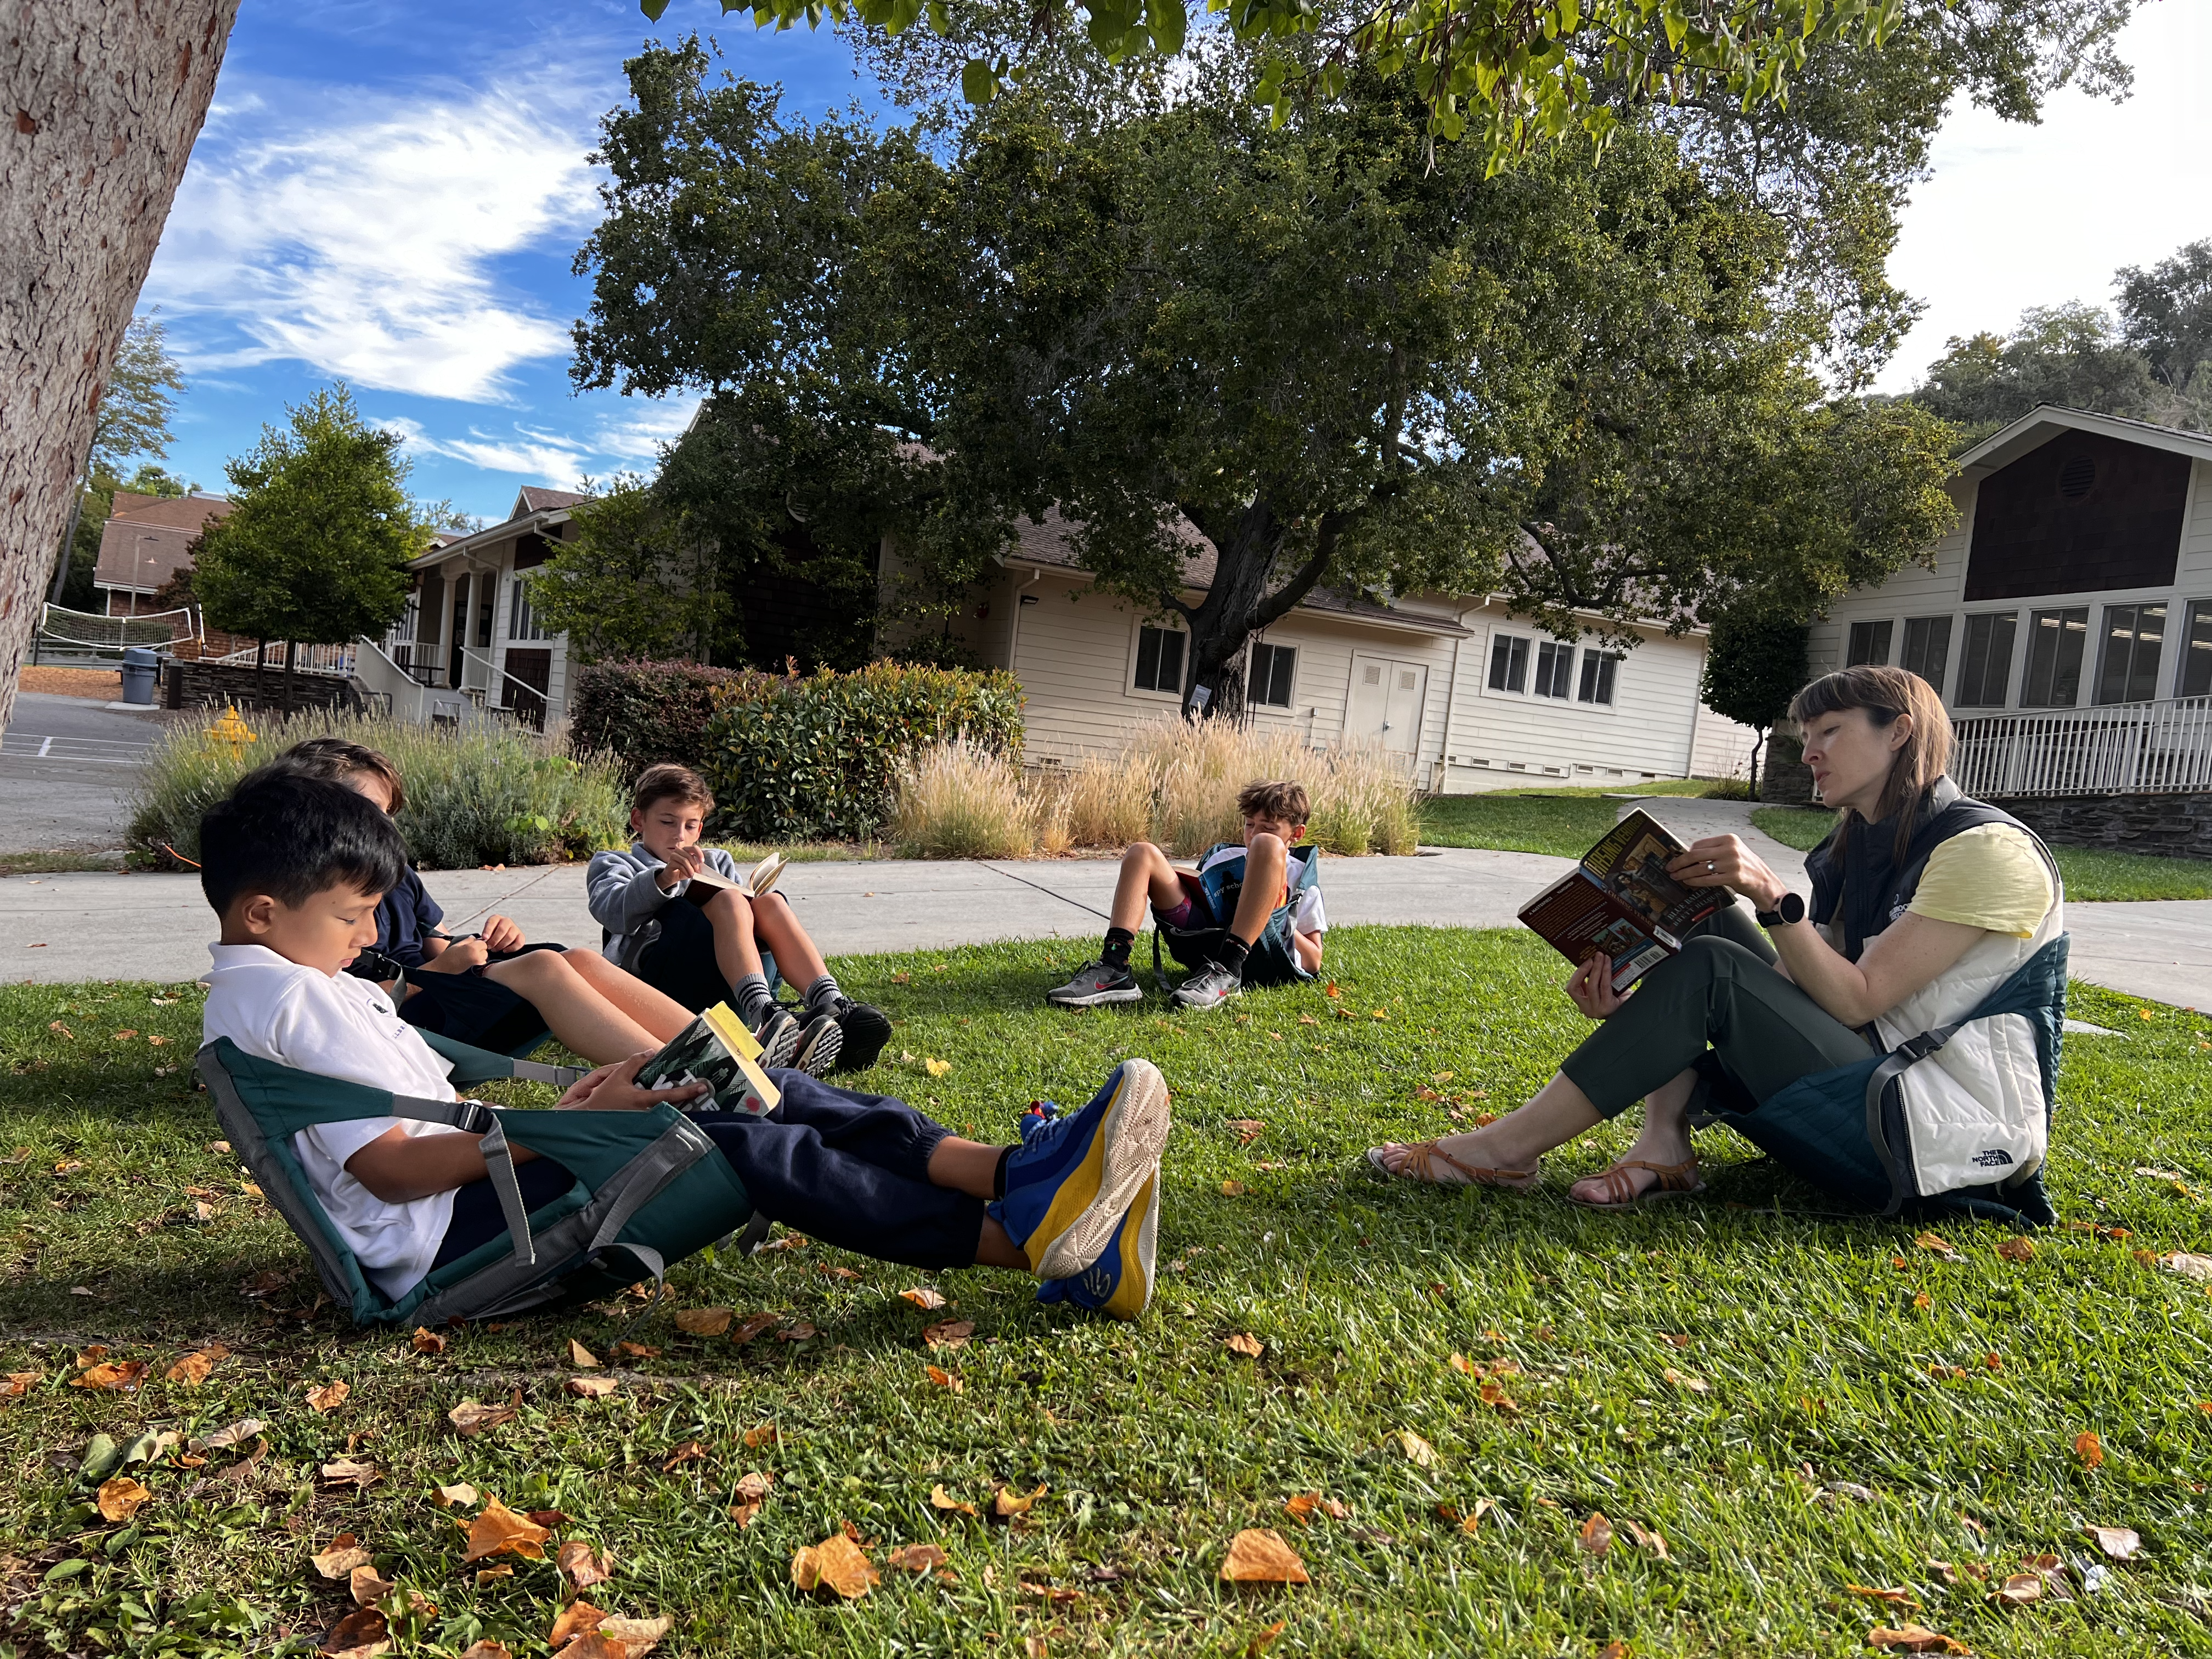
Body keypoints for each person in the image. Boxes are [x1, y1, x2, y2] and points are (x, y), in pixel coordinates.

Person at [194, 769, 1172, 1319]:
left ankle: (1020, 1173)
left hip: (482, 1185)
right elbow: (398, 1172)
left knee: (760, 1080)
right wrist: (563, 1124)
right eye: (353, 916)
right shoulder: (298, 1002)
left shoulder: (284, 984)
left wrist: (574, 1099)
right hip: (463, 1229)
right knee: (736, 1134)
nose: (370, 935)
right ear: (264, 909)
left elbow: (417, 1110)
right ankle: (1036, 1237)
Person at [1369, 667, 2063, 1219]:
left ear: (1899, 733)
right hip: (1877, 1078)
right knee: (1697, 921)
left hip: (1939, 1133)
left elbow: (1858, 1000)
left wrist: (1771, 895)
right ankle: (1663, 1144)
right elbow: (1806, 990)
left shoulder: (1988, 851)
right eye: (1803, 736)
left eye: (1829, 730)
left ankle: (1505, 1151)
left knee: (1715, 963)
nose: (1810, 751)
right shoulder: (1858, 842)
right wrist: (1643, 1002)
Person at [273, 739, 707, 1071]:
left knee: (573, 958)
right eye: (368, 811)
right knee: (544, 967)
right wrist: (444, 970)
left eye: (387, 813)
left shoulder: (399, 877)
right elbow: (340, 1004)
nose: (383, 826)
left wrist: (482, 945)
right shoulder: (312, 903)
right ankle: (681, 1076)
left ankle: (718, 1050)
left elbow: (432, 943)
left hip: (436, 991)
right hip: (398, 1019)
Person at [587, 764, 893, 1074]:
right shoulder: (615, 862)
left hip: (725, 984)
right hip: (658, 986)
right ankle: (764, 1017)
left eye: (691, 826)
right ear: (639, 820)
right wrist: (664, 879)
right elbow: (613, 914)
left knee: (770, 903)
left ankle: (837, 1008)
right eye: (668, 822)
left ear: (701, 827)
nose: (680, 836)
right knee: (730, 900)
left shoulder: (717, 860)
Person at [1046, 780, 1327, 1012]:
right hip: (1206, 946)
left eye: (1267, 828)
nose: (1254, 835)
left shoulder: (1302, 880)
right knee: (1141, 852)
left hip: (1261, 958)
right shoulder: (1228, 857)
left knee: (1268, 848)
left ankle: (1229, 972)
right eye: (1249, 825)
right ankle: (1114, 967)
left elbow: (1314, 960)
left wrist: (1278, 921)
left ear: (1297, 833)